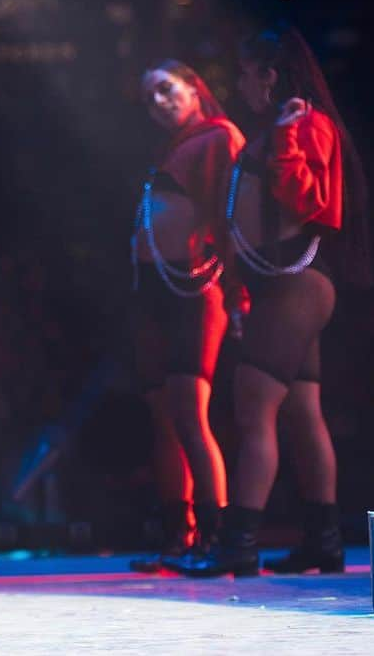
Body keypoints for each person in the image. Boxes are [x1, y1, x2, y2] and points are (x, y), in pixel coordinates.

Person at [173, 25, 371, 577]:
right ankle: (324, 542)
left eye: (245, 73)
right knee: (303, 413)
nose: (239, 84)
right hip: (278, 284)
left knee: (252, 407)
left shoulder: (306, 125)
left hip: (298, 279)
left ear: (270, 74)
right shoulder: (277, 127)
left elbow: (313, 204)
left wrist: (286, 140)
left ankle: (237, 544)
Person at [129, 61, 245, 572]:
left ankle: (217, 538)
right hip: (153, 290)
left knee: (188, 412)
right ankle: (180, 537)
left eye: (165, 89)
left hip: (193, 288)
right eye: (148, 97)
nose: (157, 101)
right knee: (162, 417)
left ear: (196, 87)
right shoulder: (174, 146)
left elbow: (233, 216)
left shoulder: (219, 137)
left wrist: (240, 295)